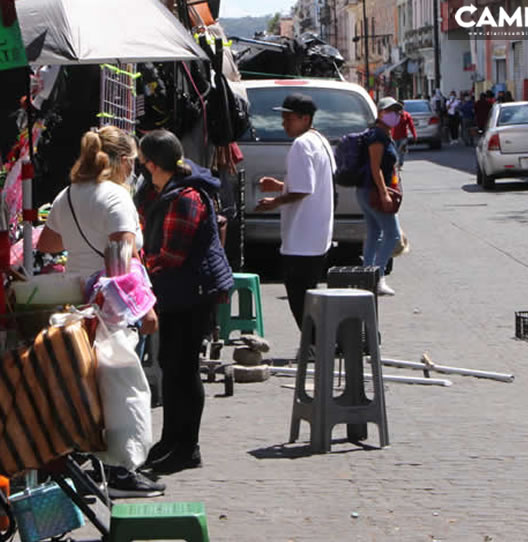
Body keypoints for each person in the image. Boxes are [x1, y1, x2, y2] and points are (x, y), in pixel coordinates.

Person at [38, 126, 164, 497]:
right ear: (123, 161)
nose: (134, 170)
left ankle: (90, 466)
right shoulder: (116, 197)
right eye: (133, 163)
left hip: (74, 304)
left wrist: (80, 240)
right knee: (121, 391)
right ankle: (121, 472)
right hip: (111, 309)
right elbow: (121, 260)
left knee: (85, 390)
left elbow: (48, 241)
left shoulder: (68, 194)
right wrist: (145, 309)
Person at [136, 130, 233, 475]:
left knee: (183, 368)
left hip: (192, 293)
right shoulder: (165, 189)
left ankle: (187, 447)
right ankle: (169, 441)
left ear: (151, 163)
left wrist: (136, 266)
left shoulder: (185, 197)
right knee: (170, 365)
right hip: (177, 291)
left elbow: (172, 256)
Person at [255, 93, 334, 328]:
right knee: (307, 294)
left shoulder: (302, 144)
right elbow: (312, 184)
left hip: (303, 238)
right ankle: (317, 343)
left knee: (300, 297)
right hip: (317, 235)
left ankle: (314, 344)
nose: (283, 123)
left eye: (288, 118)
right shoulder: (320, 140)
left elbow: (304, 190)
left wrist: (275, 201)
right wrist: (280, 186)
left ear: (305, 118)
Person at [358, 97, 402, 296]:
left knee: (375, 233)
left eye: (398, 111)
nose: (396, 115)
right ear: (380, 113)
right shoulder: (377, 136)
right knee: (392, 234)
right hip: (373, 192)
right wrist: (384, 193)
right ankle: (378, 277)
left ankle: (367, 276)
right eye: (390, 111)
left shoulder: (382, 134)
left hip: (367, 191)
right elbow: (376, 168)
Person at [389, 99, 417, 168]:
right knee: (394, 151)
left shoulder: (406, 115)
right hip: (394, 136)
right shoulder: (392, 115)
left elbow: (411, 125)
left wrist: (414, 135)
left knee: (401, 150)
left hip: (403, 136)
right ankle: (395, 163)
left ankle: (400, 163)